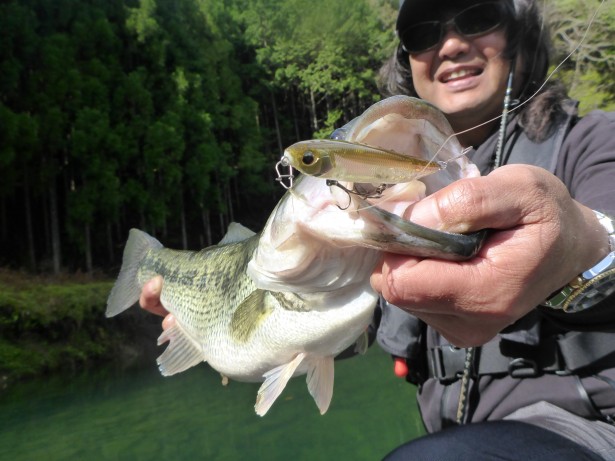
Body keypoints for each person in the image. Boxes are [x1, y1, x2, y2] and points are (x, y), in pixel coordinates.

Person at [140, 0, 615, 459]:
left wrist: (587, 243)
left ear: (519, 35)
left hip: (590, 424)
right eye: (423, 34)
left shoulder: (594, 141)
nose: (450, 45)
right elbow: (358, 329)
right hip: (452, 435)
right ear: (407, 60)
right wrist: (202, 321)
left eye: (478, 18)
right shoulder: (372, 210)